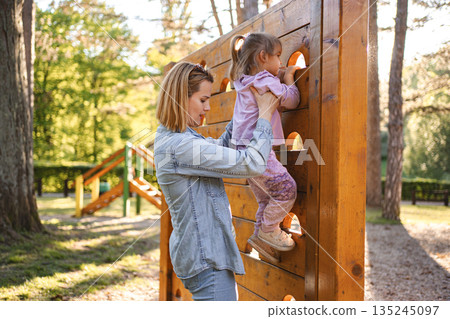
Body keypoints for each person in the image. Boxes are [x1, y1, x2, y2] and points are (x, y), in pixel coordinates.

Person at [154, 62, 279, 301]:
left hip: (201, 254)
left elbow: (222, 148)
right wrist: (265, 114)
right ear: (180, 97)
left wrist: (246, 105)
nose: (208, 107)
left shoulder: (178, 136)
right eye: (203, 100)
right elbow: (250, 164)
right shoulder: (180, 146)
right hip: (205, 259)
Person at [229, 33, 301, 254]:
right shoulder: (265, 81)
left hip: (242, 151)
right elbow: (293, 100)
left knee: (265, 199)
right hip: (257, 151)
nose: (280, 62)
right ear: (262, 56)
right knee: (287, 189)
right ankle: (269, 230)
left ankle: (260, 236)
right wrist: (288, 77)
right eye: (278, 56)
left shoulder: (243, 81)